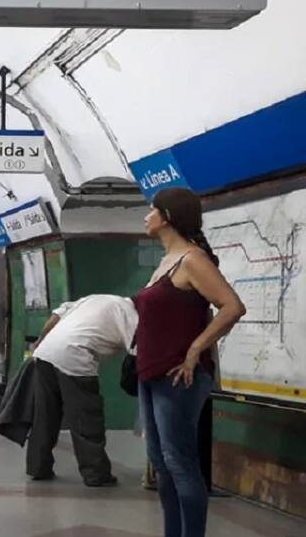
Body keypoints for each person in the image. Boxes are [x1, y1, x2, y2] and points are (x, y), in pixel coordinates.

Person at [134, 188, 245, 537]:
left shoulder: (192, 260)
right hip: (151, 371)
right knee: (163, 465)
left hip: (179, 376)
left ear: (168, 216)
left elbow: (232, 306)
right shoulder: (167, 260)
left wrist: (196, 349)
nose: (146, 216)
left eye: (152, 210)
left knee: (180, 462)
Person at [27, 294, 138, 486]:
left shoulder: (93, 299)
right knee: (86, 416)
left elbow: (56, 315)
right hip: (75, 356)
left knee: (45, 415)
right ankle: (96, 473)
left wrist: (41, 341)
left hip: (44, 353)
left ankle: (38, 467)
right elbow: (137, 352)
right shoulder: (130, 313)